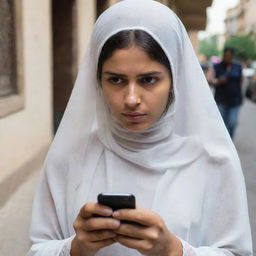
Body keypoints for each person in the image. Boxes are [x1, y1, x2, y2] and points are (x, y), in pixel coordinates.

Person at [27, 1, 253, 256]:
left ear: (174, 80)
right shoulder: (69, 156)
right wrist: (75, 247)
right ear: (98, 81)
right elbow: (37, 248)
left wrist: (174, 250)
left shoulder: (213, 160)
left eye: (148, 80)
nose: (131, 98)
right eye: (116, 79)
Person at [212, 46, 243, 139]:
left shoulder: (238, 66)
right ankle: (224, 142)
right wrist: (218, 81)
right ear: (223, 55)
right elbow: (211, 80)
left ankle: (230, 141)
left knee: (232, 123)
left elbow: (241, 80)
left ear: (232, 56)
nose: (228, 57)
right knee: (222, 124)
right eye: (226, 55)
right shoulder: (217, 66)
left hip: (235, 100)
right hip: (221, 100)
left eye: (230, 56)